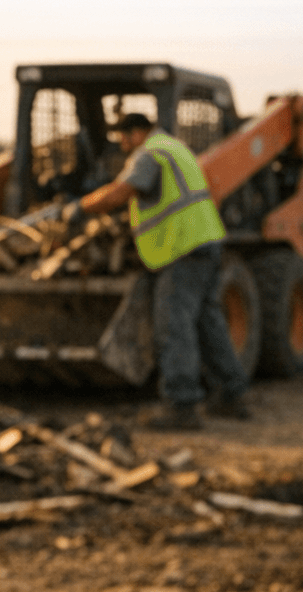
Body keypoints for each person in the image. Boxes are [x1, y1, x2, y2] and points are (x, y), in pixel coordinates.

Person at [64, 112, 250, 429]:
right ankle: (231, 396)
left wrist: (80, 208)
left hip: (182, 249)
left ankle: (182, 406)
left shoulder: (149, 154)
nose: (121, 144)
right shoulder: (175, 148)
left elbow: (121, 193)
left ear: (137, 133)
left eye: (123, 137)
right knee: (209, 324)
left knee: (174, 326)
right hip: (205, 243)